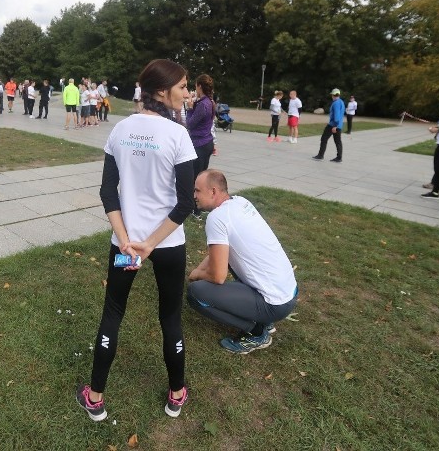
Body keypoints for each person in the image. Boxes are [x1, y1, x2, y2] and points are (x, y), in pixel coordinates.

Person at [77, 59, 196, 422]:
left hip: (125, 244)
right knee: (170, 315)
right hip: (167, 244)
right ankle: (176, 393)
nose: (187, 93)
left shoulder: (120, 130)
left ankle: (95, 396)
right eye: (182, 87)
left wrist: (129, 240)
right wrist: (148, 243)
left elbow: (106, 192)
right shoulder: (177, 135)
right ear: (162, 91)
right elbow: (186, 202)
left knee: (114, 310)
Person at [187, 169, 298, 354]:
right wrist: (199, 270)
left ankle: (257, 333)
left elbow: (218, 276)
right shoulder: (240, 202)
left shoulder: (216, 218)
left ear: (213, 191)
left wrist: (197, 274)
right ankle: (264, 320)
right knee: (228, 260)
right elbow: (220, 253)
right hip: (289, 291)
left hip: (275, 303)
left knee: (196, 294)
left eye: (197, 191)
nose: (194, 196)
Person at [186, 74, 216, 217]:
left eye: (196, 86)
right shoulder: (209, 102)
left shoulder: (203, 105)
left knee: (196, 179)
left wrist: (190, 108)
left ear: (199, 86)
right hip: (207, 142)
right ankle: (200, 207)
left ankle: (195, 209)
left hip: (199, 144)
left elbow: (190, 124)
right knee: (202, 177)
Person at [313, 88, 345, 162]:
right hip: (339, 125)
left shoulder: (336, 103)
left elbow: (336, 116)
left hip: (333, 125)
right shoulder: (341, 102)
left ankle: (320, 155)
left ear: (333, 95)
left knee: (324, 139)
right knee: (338, 141)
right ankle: (339, 157)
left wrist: (335, 126)